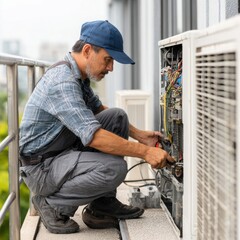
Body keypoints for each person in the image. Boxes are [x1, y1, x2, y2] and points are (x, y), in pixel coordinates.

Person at [19, 20, 174, 234]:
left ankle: (101, 206)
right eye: (108, 60)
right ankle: (52, 204)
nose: (110, 68)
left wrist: (141, 136)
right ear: (87, 50)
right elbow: (94, 137)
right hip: (42, 167)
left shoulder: (77, 76)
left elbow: (100, 110)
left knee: (117, 116)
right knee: (114, 169)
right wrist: (146, 152)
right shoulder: (62, 82)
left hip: (60, 151)